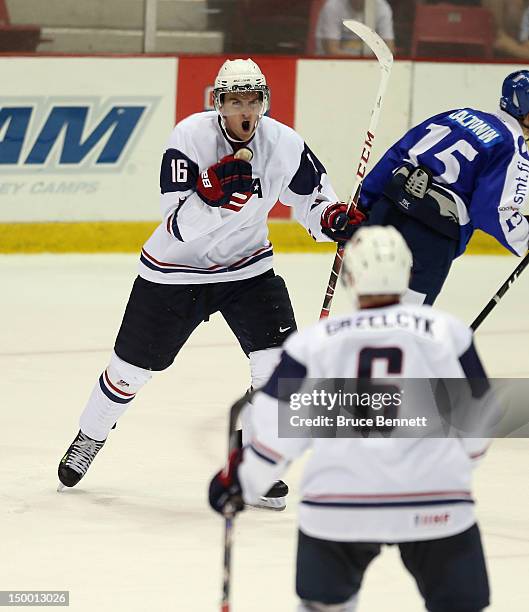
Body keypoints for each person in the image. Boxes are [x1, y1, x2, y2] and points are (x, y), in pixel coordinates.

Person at [56, 58, 364, 509]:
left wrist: (332, 218)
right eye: (234, 100)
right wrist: (211, 198)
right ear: (217, 103)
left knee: (279, 368)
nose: (244, 110)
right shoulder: (189, 137)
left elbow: (315, 199)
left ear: (264, 102)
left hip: (247, 269)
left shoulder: (283, 143)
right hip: (173, 273)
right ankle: (90, 435)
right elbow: (177, 227)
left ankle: (251, 462)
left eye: (252, 100)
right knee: (129, 372)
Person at [209, 226, 491, 612]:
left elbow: (274, 438)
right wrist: (450, 472)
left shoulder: (314, 342)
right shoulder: (450, 333)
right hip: (437, 502)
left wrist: (238, 483)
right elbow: (479, 425)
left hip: (338, 507)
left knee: (323, 606)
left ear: (350, 278)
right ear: (408, 273)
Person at [355, 69, 529, 305]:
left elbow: (400, 153)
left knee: (373, 308)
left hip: (386, 210)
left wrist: (362, 204)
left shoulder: (460, 115)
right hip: (430, 234)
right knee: (404, 322)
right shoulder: (512, 147)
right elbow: (492, 212)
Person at [315, 0, 395, 56]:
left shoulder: (382, 7)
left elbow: (388, 49)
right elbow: (331, 50)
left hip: (369, 66)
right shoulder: (333, 6)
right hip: (333, 65)